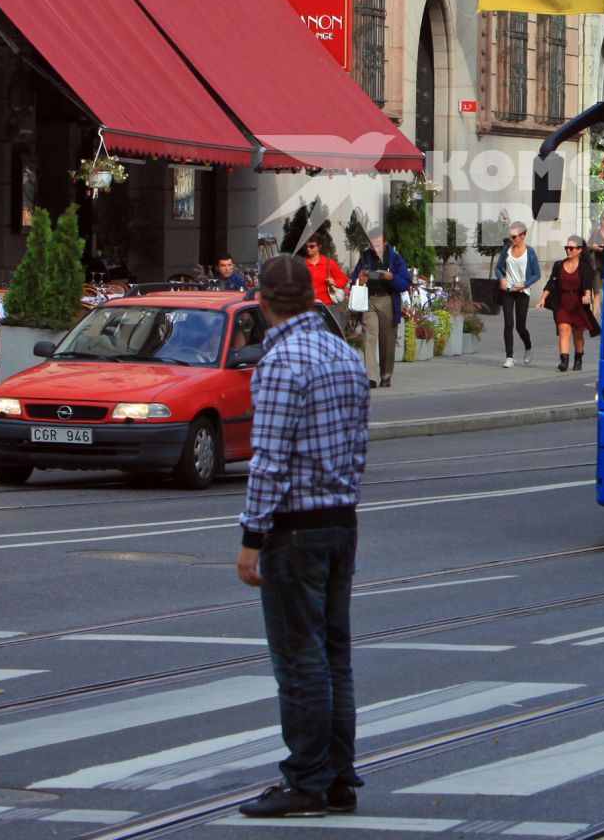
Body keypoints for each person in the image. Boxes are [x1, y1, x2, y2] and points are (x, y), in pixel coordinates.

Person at [235, 255, 370, 819]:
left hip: (294, 529)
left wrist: (251, 536)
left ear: (261, 301)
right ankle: (338, 774)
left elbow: (269, 460)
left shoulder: (281, 361)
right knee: (334, 654)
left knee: (299, 659)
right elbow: (360, 443)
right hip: (342, 519)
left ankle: (307, 780)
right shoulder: (344, 353)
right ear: (313, 296)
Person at [350, 227, 412, 390]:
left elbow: (406, 282)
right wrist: (361, 280)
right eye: (372, 245)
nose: (375, 248)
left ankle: (386, 375)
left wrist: (392, 278)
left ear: (385, 242)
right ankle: (370, 377)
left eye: (378, 245)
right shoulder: (364, 257)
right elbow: (354, 279)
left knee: (387, 339)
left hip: (388, 299)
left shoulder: (395, 258)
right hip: (369, 299)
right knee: (369, 336)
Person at [537, 235, 598, 372]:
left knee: (578, 334)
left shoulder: (585, 267)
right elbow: (551, 283)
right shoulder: (559, 265)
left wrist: (587, 296)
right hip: (562, 302)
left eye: (571, 248)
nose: (568, 251)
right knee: (564, 330)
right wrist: (542, 298)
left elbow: (587, 285)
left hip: (577, 304)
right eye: (567, 248)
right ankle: (564, 361)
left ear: (579, 250)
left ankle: (578, 358)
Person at [493, 222, 540, 369]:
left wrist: (525, 284)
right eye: (510, 236)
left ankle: (528, 347)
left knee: (520, 326)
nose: (511, 239)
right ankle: (509, 357)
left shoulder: (530, 252)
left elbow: (537, 274)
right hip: (508, 291)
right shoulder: (507, 250)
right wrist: (501, 278)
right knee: (508, 323)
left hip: (522, 292)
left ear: (523, 235)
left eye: (514, 237)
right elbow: (498, 268)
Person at [303, 238, 347, 305]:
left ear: (319, 246)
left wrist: (334, 283)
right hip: (307, 306)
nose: (308, 248)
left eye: (312, 246)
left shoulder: (329, 263)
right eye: (306, 246)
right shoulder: (302, 264)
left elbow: (343, 280)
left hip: (327, 306)